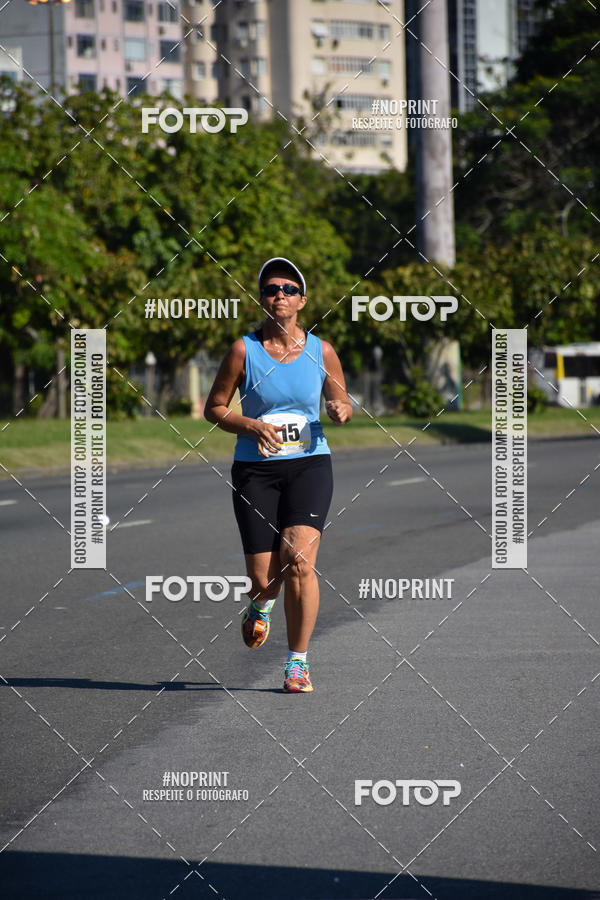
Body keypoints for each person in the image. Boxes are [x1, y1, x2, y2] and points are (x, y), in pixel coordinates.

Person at [204, 257, 352, 692]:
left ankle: (297, 662)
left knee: (300, 561)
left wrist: (340, 408)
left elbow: (341, 398)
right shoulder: (242, 350)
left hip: (310, 464)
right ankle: (260, 604)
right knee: (264, 577)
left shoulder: (321, 350)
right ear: (261, 299)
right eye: (271, 289)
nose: (279, 295)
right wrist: (250, 424)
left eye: (289, 289)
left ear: (303, 301)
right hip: (255, 470)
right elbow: (214, 408)